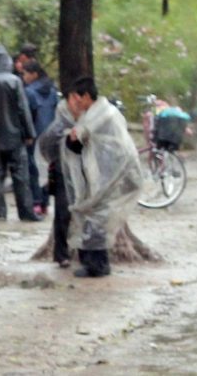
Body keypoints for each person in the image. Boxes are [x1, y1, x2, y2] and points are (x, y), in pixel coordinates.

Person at [60, 77, 143, 278]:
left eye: (77, 99)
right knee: (91, 216)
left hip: (112, 174)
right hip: (99, 174)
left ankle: (98, 265)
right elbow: (79, 143)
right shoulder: (93, 114)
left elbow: (96, 140)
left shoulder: (103, 114)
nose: (75, 104)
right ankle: (91, 262)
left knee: (99, 217)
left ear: (87, 96)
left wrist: (76, 136)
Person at [0, 49, 41, 222]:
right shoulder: (15, 81)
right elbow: (22, 109)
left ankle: (0, 213)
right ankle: (26, 212)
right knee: (21, 176)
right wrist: (29, 133)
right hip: (14, 136)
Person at [36, 99, 76, 268]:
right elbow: (46, 147)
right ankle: (61, 254)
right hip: (62, 173)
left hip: (82, 172)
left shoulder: (90, 122)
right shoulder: (58, 127)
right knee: (63, 211)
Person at [22, 61, 59, 215]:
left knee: (33, 169)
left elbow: (28, 114)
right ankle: (44, 202)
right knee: (47, 168)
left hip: (35, 135)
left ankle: (36, 201)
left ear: (34, 74)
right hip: (50, 133)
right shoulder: (52, 90)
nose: (23, 77)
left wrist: (27, 133)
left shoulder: (29, 92)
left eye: (25, 73)